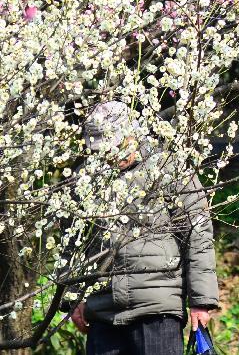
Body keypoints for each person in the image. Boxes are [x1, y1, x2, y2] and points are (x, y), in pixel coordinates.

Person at [69, 101, 219, 355]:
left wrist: (201, 302)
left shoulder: (169, 168)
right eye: (103, 150)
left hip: (157, 310)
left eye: (118, 146)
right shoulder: (83, 180)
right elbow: (73, 241)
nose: (113, 155)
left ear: (134, 133)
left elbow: (198, 234)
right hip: (104, 310)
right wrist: (74, 297)